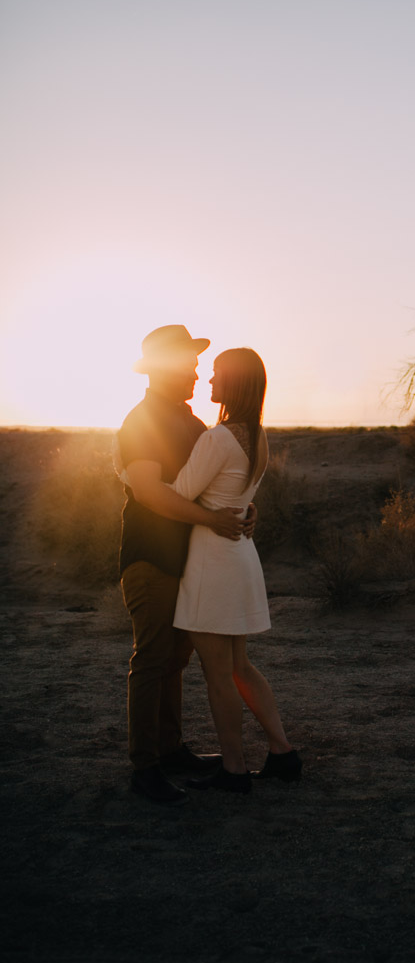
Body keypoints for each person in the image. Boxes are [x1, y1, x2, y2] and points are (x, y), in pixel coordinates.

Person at [118, 325, 250, 804]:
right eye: (189, 364)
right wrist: (210, 518)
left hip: (187, 559)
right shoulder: (142, 421)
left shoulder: (191, 423)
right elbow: (149, 493)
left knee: (175, 658)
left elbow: (213, 483)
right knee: (152, 659)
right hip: (150, 557)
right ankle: (145, 768)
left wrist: (238, 511)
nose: (197, 373)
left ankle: (170, 750)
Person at [166, 346, 301, 794]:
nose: (209, 381)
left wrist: (132, 477)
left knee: (219, 673)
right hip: (240, 555)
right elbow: (234, 492)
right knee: (239, 665)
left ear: (236, 383)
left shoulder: (219, 437)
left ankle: (235, 770)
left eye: (218, 374)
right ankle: (282, 753)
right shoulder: (257, 435)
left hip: (213, 561)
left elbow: (182, 492)